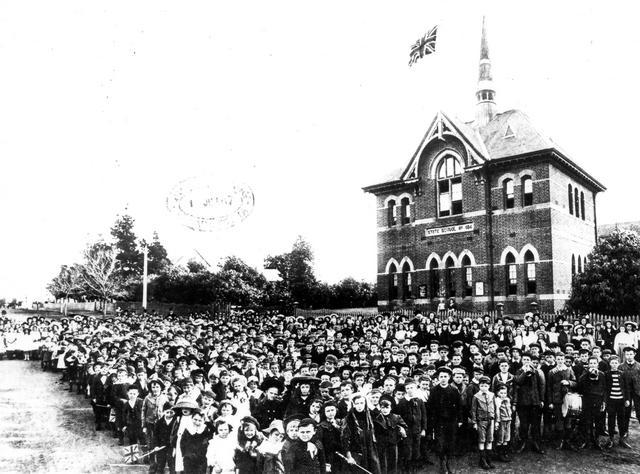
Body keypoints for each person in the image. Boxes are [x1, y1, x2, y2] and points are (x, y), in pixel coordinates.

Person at [426, 366, 461, 474]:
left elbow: (459, 407)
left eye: (445, 376)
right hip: (438, 421)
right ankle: (442, 462)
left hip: (451, 421)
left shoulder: (454, 390)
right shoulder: (434, 390)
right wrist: (432, 422)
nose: (443, 378)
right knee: (440, 443)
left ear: (449, 377)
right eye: (441, 376)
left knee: (450, 442)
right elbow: (431, 408)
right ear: (438, 377)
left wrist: (459, 420)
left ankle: (449, 463)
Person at [514, 352, 545, 454]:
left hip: (534, 402)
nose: (526, 362)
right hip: (523, 403)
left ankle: (536, 444)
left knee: (536, 425)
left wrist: (541, 400)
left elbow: (541, 386)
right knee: (524, 425)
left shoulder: (536, 372)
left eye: (528, 360)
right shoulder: (519, 371)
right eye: (524, 360)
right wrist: (525, 372)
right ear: (522, 361)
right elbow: (518, 381)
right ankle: (523, 443)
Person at [341, 393, 381, 474]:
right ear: (353, 405)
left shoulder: (370, 416)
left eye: (362, 403)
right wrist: (349, 456)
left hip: (370, 451)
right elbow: (345, 439)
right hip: (357, 452)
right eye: (357, 403)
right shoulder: (349, 418)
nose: (359, 406)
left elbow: (380, 418)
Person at [395, 379, 427, 473]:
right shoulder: (402, 402)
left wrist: (424, 429)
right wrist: (401, 429)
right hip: (407, 430)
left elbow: (424, 416)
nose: (410, 390)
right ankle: (407, 468)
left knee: (416, 449)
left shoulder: (420, 401)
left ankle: (414, 468)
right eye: (407, 388)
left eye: (412, 387)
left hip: (417, 430)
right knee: (407, 450)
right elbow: (398, 417)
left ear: (416, 388)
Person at [546, 352, 576, 450]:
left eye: (561, 359)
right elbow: (549, 388)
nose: (560, 361)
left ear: (564, 359)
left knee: (568, 420)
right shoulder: (552, 372)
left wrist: (569, 382)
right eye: (558, 359)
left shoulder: (569, 370)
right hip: (557, 399)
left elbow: (575, 383)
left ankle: (567, 441)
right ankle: (559, 441)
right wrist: (550, 402)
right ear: (555, 359)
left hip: (567, 399)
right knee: (559, 420)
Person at [577, 356, 606, 450]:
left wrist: (604, 402)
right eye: (591, 363)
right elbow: (580, 387)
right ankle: (586, 440)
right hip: (587, 400)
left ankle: (596, 441)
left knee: (598, 422)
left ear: (597, 364)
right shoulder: (584, 374)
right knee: (587, 421)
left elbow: (605, 389)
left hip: (598, 400)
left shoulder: (601, 374)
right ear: (588, 365)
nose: (593, 365)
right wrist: (587, 374)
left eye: (594, 363)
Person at [374, 399, 407, 474]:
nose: (385, 410)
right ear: (380, 408)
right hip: (381, 444)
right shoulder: (376, 419)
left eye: (387, 407)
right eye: (383, 408)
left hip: (393, 443)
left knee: (393, 463)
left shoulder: (396, 417)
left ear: (390, 408)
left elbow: (405, 427)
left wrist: (402, 430)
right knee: (382, 463)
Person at [470, 376, 495, 470]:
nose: (484, 388)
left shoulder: (492, 395)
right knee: (482, 439)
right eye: (482, 386)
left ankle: (489, 459)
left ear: (489, 386)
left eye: (486, 386)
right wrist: (474, 422)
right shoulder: (476, 397)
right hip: (481, 421)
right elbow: (473, 410)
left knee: (489, 439)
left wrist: (496, 421)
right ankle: (482, 460)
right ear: (479, 386)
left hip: (491, 420)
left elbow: (494, 408)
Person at [180, 409, 212, 474]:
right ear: (192, 419)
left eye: (200, 420)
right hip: (189, 457)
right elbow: (182, 442)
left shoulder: (204, 428)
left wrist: (207, 421)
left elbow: (213, 431)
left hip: (201, 457)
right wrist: (185, 454)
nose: (197, 422)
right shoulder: (188, 428)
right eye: (195, 419)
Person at [620, 346, 640, 447]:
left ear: (634, 354)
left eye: (631, 354)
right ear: (624, 355)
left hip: (638, 392)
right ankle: (625, 431)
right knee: (626, 412)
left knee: (639, 412)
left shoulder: (639, 366)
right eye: (627, 354)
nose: (629, 356)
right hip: (626, 393)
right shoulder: (621, 367)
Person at [152, 403, 176, 474]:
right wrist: (156, 445)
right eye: (167, 412)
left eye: (171, 412)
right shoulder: (159, 422)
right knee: (160, 465)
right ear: (163, 412)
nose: (169, 414)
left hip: (172, 447)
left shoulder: (176, 422)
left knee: (172, 465)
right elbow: (155, 435)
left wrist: (174, 446)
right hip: (161, 447)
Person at [494, 384, 512, 462]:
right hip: (501, 421)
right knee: (500, 437)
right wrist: (497, 421)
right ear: (497, 393)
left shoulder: (507, 399)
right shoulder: (497, 400)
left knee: (506, 437)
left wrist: (510, 415)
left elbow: (509, 409)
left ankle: (505, 452)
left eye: (505, 393)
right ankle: (499, 454)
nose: (503, 395)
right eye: (501, 393)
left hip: (508, 420)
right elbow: (497, 412)